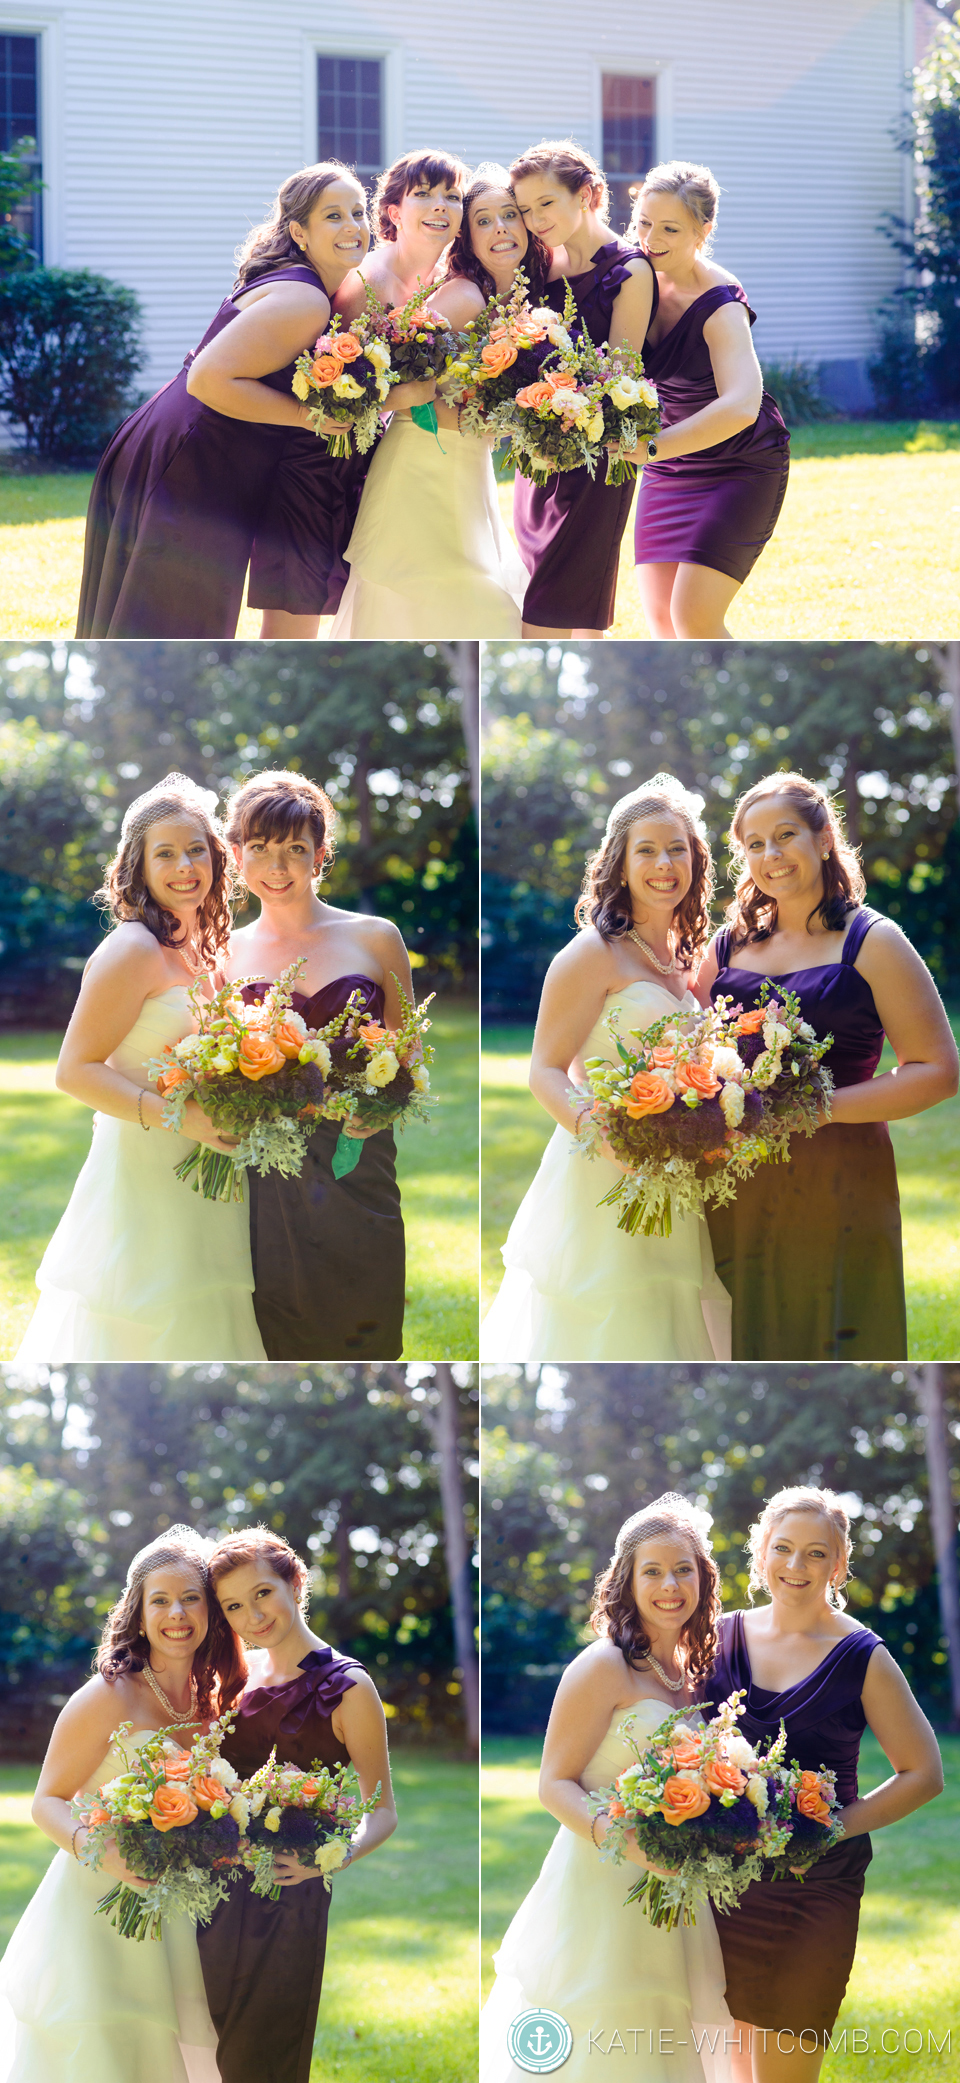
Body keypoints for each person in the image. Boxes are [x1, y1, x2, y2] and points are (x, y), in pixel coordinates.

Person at [76, 162, 430, 640]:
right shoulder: (305, 300)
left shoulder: (314, 284)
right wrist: (311, 419)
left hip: (189, 443)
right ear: (299, 231)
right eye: (333, 216)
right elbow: (207, 380)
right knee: (170, 624)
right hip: (193, 458)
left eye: (357, 212)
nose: (352, 227)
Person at [695, 771, 959, 1359]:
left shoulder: (875, 941)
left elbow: (939, 1070)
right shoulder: (725, 947)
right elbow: (689, 1048)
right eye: (755, 844)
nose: (771, 855)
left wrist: (812, 1108)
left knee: (834, 1335)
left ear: (822, 839)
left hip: (841, 1180)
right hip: (735, 1180)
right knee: (739, 1336)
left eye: (785, 835)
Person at [480, 1496, 734, 2083]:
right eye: (653, 1571)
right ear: (627, 1580)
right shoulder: (602, 1666)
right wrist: (629, 1843)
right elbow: (552, 1784)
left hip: (676, 1892)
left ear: (703, 1577)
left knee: (665, 2031)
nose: (670, 1585)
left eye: (683, 1570)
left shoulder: (689, 1675)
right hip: (601, 1880)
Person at [15, 775, 265, 1363]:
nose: (185, 866)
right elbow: (74, 1070)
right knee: (140, 1314)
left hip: (209, 1169)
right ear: (138, 865)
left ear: (216, 856)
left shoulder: (206, 946)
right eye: (166, 853)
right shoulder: (131, 949)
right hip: (143, 1168)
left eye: (196, 849)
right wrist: (183, 1119)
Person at [481, 777, 731, 1361]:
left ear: (696, 859)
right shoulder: (592, 953)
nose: (664, 864)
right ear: (619, 863)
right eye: (646, 850)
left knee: (671, 1317)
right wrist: (610, 1137)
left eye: (677, 849)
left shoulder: (684, 958)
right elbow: (544, 1070)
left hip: (676, 1174)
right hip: (603, 1170)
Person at [703, 1487, 944, 2083]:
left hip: (816, 1891)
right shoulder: (718, 1638)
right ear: (760, 1555)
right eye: (782, 1549)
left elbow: (925, 1773)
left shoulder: (863, 1656)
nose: (795, 1566)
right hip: (723, 1890)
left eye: (816, 1554)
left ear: (838, 1566)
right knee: (727, 2068)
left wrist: (828, 1827)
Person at [0, 1527, 236, 2083]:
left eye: (190, 1598)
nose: (176, 1613)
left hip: (179, 1912)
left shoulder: (213, 1701)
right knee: (105, 2045)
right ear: (138, 1611)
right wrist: (100, 1851)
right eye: (161, 1600)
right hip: (98, 1903)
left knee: (174, 2049)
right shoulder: (108, 1695)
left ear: (209, 1610)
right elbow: (46, 1801)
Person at [221, 768, 411, 1359]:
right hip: (269, 1170)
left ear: (320, 854)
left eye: (295, 850)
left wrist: (386, 1102)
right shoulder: (223, 950)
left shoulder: (377, 938)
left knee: (367, 1312)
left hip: (359, 1157)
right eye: (260, 849)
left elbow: (408, 1049)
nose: (278, 868)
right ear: (235, 854)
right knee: (283, 1317)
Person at [197, 1528, 397, 2083]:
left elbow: (381, 1809)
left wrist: (329, 1858)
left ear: (294, 1582)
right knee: (206, 2043)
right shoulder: (236, 1681)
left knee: (265, 2055)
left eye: (262, 1593)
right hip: (213, 1887)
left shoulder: (348, 1687)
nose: (252, 1615)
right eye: (234, 1606)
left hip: (288, 1896)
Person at [330, 157, 529, 636]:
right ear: (394, 210)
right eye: (424, 194)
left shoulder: (463, 285)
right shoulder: (427, 290)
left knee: (451, 601)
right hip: (420, 461)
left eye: (452, 198)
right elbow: (361, 392)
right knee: (431, 596)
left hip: (463, 463)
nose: (441, 207)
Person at [630, 162, 790, 638]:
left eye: (670, 228)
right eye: (643, 223)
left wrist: (652, 447)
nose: (650, 238)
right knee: (660, 620)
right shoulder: (633, 277)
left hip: (739, 464)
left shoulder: (721, 304)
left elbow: (743, 404)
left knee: (694, 618)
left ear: (704, 230)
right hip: (670, 468)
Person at [508, 138, 657, 638]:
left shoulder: (629, 271)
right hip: (539, 458)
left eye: (545, 203)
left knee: (560, 607)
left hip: (596, 461)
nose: (534, 220)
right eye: (525, 209)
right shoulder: (537, 270)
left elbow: (619, 378)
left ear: (588, 194)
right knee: (554, 604)